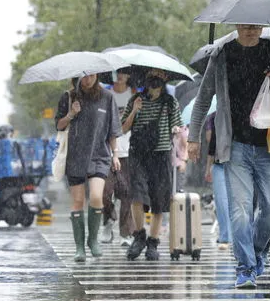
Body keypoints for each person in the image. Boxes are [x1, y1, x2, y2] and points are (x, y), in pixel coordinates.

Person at [187, 24, 270, 289]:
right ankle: (245, 267)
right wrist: (193, 137)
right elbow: (203, 99)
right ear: (236, 26)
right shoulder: (222, 54)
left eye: (255, 26)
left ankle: (257, 250)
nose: (251, 30)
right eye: (246, 25)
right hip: (235, 145)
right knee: (241, 211)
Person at [55, 74, 122, 262]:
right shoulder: (68, 97)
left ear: (97, 76)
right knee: (77, 202)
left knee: (95, 196)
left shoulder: (107, 97)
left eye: (92, 75)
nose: (88, 80)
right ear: (77, 77)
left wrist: (115, 154)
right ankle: (79, 247)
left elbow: (113, 130)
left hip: (99, 155)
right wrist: (71, 114)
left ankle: (93, 240)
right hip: (75, 157)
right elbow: (59, 126)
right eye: (84, 76)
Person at [122, 69, 185, 261]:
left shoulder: (170, 102)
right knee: (137, 196)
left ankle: (153, 241)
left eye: (159, 75)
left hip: (161, 154)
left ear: (165, 78)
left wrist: (176, 132)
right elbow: (123, 128)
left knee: (159, 201)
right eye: (151, 75)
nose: (155, 79)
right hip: (138, 154)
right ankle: (139, 236)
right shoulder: (135, 99)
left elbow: (178, 126)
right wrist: (135, 111)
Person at [101, 69, 136, 246]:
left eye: (124, 72)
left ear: (130, 75)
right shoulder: (105, 95)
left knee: (127, 194)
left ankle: (125, 232)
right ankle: (108, 220)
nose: (121, 75)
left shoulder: (135, 95)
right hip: (107, 150)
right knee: (105, 193)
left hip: (129, 151)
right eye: (117, 72)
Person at [204, 112, 231, 250]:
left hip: (238, 164)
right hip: (219, 163)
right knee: (221, 201)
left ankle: (238, 235)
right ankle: (225, 236)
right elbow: (212, 144)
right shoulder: (216, 117)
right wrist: (209, 167)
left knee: (239, 200)